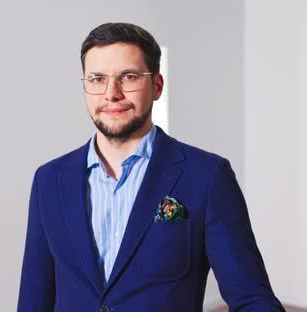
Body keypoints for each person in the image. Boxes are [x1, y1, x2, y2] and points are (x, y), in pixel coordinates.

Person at [18, 22, 283, 312]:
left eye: (128, 77)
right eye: (96, 79)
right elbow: (34, 302)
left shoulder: (206, 177)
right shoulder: (49, 180)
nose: (111, 94)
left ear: (156, 86)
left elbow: (251, 299)